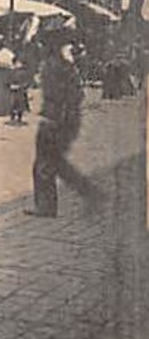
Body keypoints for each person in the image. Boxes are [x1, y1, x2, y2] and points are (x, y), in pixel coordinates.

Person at [28, 38, 101, 217]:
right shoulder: (68, 69)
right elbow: (78, 95)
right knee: (49, 163)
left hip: (53, 121)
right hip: (61, 120)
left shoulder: (54, 68)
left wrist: (53, 118)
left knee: (43, 165)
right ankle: (48, 205)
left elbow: (58, 97)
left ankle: (46, 206)